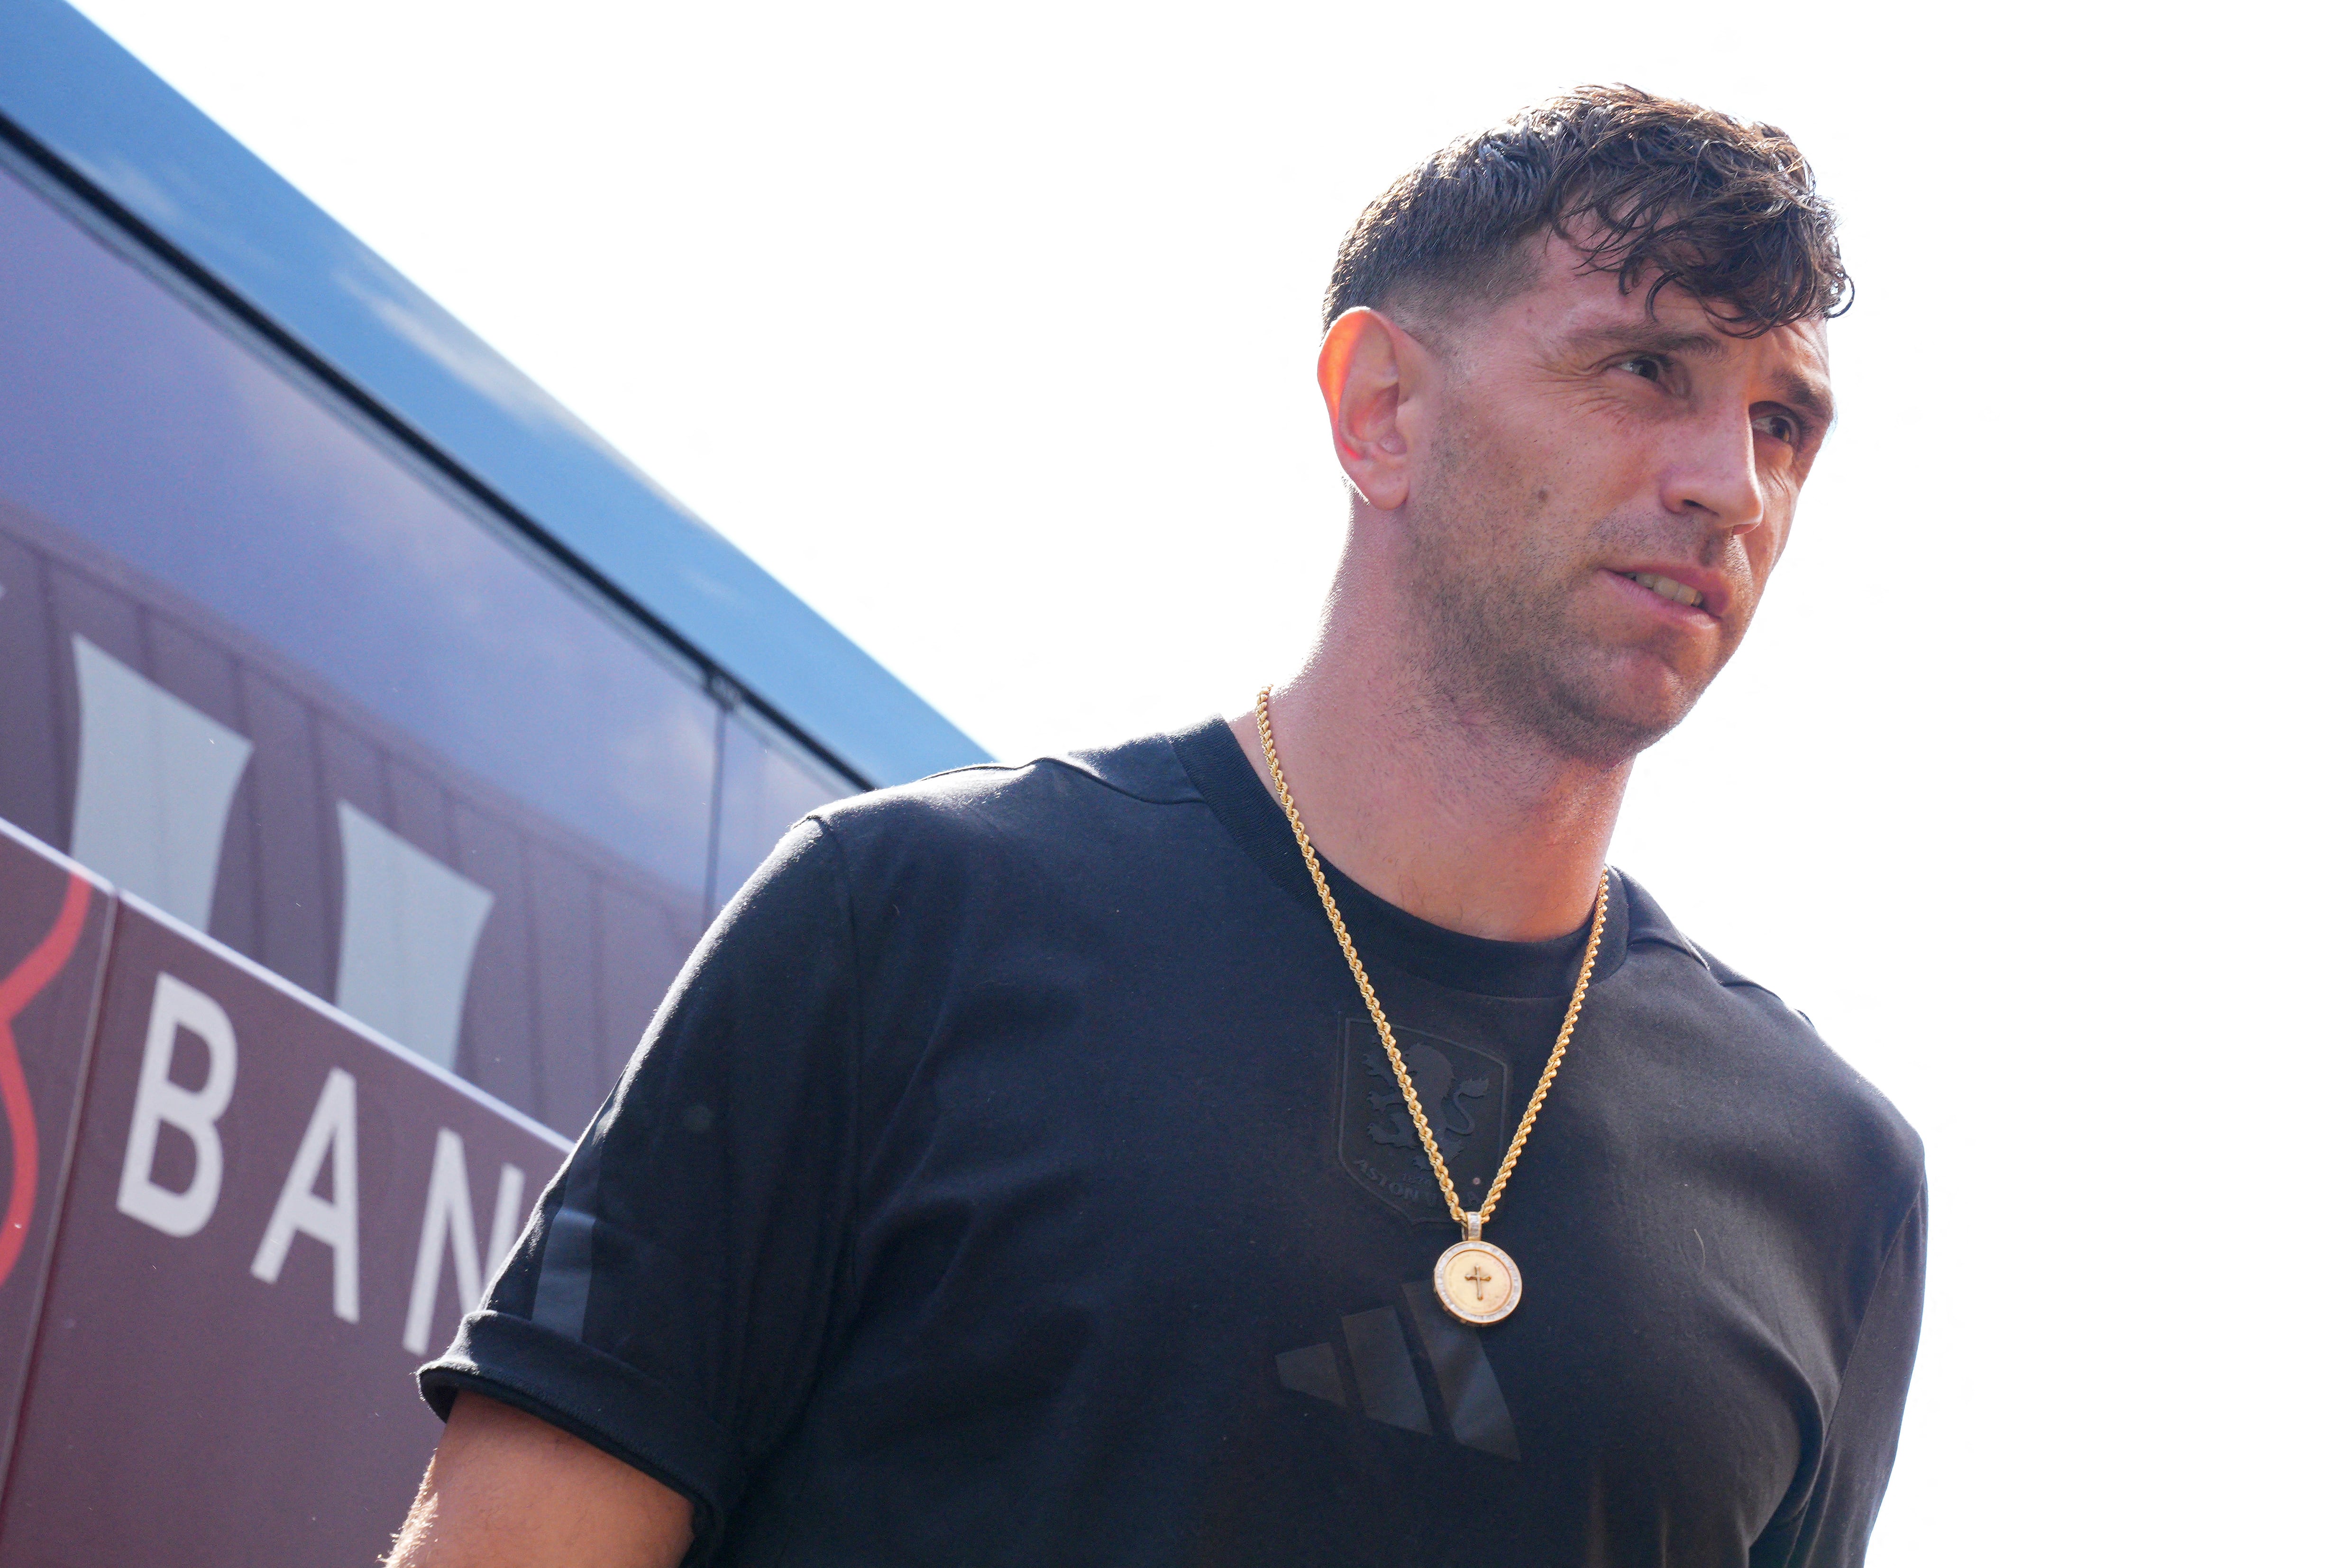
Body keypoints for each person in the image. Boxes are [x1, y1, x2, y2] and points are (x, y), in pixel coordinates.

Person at [392, 85, 1925, 1568]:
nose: (1729, 485)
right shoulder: (907, 920)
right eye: (1645, 370)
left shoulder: (1829, 1176)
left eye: (1782, 422)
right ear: (1380, 409)